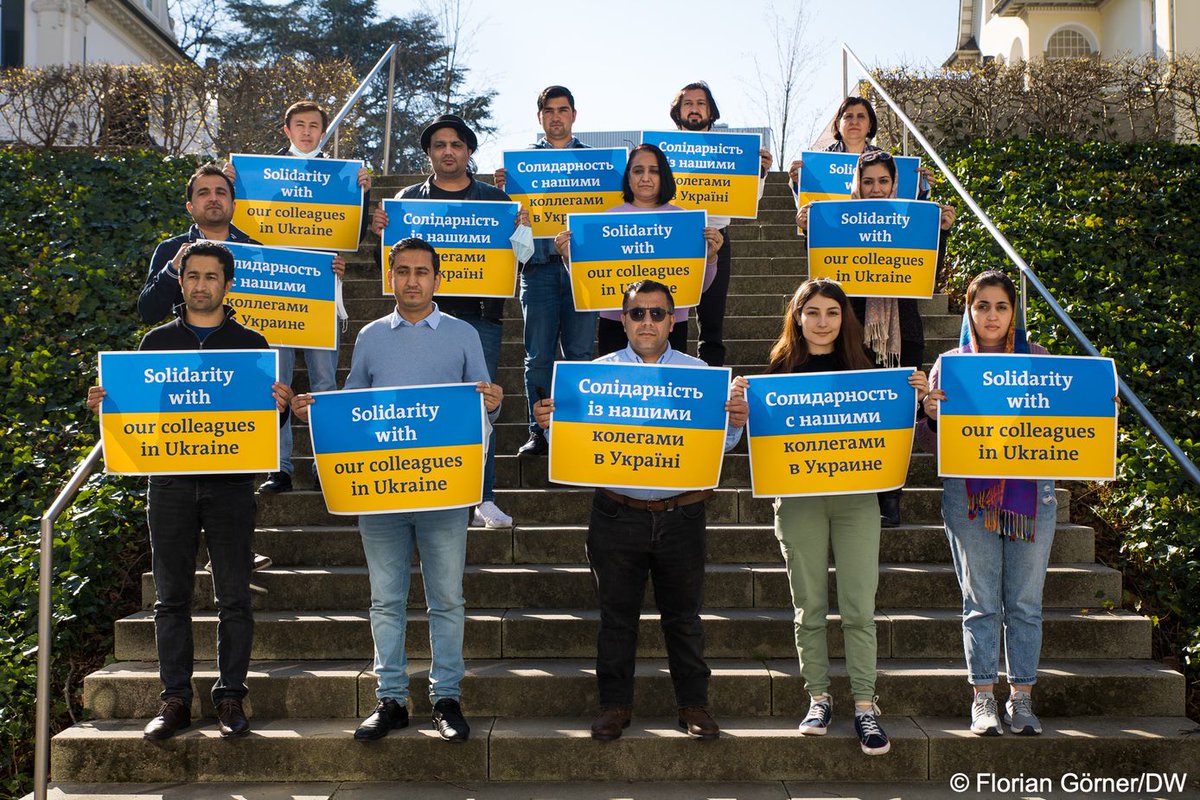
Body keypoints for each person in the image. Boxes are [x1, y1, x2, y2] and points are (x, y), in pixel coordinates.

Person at [290, 237, 502, 743]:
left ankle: (445, 698)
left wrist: (493, 403)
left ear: (437, 279)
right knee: (385, 600)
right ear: (390, 278)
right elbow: (351, 404)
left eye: (422, 272)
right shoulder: (368, 336)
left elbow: (481, 408)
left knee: (447, 598)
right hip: (380, 491)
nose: (412, 280)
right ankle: (391, 699)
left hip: (445, 491)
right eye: (402, 271)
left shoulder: (464, 333)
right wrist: (315, 410)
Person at [88, 241, 294, 740]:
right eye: (193, 276)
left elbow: (263, 421)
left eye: (211, 277)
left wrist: (281, 409)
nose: (202, 285)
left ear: (228, 284)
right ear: (180, 283)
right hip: (171, 486)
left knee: (234, 598)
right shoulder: (156, 342)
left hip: (232, 488)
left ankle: (230, 698)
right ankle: (175, 698)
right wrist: (107, 406)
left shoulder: (252, 345)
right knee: (170, 599)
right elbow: (144, 417)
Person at [532, 279, 749, 742]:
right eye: (637, 313)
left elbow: (719, 449)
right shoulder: (595, 374)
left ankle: (694, 705)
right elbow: (576, 450)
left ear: (673, 320)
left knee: (685, 618)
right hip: (617, 513)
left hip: (683, 515)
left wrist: (733, 423)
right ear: (623, 320)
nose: (647, 321)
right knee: (616, 617)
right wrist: (551, 427)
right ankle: (614, 707)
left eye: (656, 313)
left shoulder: (701, 373)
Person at [765, 278, 928, 756]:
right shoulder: (776, 372)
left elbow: (901, 437)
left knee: (859, 608)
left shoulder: (871, 368)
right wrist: (739, 408)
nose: (821, 321)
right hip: (798, 500)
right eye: (811, 312)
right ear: (796, 317)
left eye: (832, 313)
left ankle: (864, 706)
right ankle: (818, 698)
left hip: (857, 500)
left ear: (845, 318)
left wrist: (916, 399)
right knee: (808, 607)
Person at [916, 270, 1058, 737]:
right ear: (969, 312)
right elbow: (934, 443)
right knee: (979, 600)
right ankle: (982, 697)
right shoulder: (950, 363)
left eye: (1000, 306)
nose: (991, 315)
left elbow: (1064, 422)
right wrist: (931, 416)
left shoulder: (1039, 360)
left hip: (1032, 493)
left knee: (1024, 601)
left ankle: (1022, 698)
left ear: (1013, 313)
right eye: (982, 306)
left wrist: (1096, 405)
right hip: (969, 495)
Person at [370, 113, 527, 529]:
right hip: (418, 320)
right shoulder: (406, 199)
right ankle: (419, 488)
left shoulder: (496, 201)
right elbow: (386, 268)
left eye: (456, 145)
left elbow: (523, 260)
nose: (448, 151)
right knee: (418, 409)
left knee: (481, 406)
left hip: (479, 318)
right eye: (439, 145)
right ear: (429, 154)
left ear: (469, 152)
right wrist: (377, 234)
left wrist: (523, 232)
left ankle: (483, 497)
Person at [796, 149, 956, 527]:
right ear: (855, 184)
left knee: (897, 417)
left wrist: (942, 233)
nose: (875, 188)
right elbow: (824, 278)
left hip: (904, 334)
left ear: (895, 183)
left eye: (883, 181)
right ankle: (855, 490)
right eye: (867, 181)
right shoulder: (837, 220)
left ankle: (891, 497)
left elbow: (928, 279)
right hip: (852, 334)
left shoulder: (910, 221)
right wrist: (809, 232)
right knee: (858, 414)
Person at [222, 100, 367, 496]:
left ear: (324, 132)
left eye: (313, 126)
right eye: (299, 125)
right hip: (274, 291)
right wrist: (231, 182)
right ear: (287, 131)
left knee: (324, 383)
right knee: (277, 384)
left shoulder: (342, 177)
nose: (306, 131)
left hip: (319, 290)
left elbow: (352, 232)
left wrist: (363, 196)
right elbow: (238, 226)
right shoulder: (258, 176)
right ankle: (280, 468)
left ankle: (329, 464)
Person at [136, 164, 274, 573]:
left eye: (221, 191)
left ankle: (234, 555)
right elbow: (148, 310)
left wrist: (328, 281)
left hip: (237, 371)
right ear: (190, 204)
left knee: (231, 461)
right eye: (204, 192)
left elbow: (286, 310)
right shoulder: (171, 249)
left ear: (234, 203)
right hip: (181, 377)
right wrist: (170, 270)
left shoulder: (256, 248)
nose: (213, 198)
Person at [492, 86, 597, 458]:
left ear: (574, 115)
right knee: (537, 357)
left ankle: (578, 430)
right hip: (536, 271)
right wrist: (508, 205)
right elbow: (514, 245)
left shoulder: (596, 164)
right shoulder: (520, 168)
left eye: (563, 109)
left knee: (581, 354)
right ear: (540, 117)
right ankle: (538, 431)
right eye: (549, 110)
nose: (556, 116)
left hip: (582, 274)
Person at [554, 143, 724, 357]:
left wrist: (709, 258)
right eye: (638, 170)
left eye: (654, 171)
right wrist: (571, 259)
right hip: (616, 323)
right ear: (628, 177)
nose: (645, 177)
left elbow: (700, 288)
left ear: (665, 176)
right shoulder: (605, 219)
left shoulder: (686, 220)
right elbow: (592, 283)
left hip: (670, 323)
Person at [668, 81, 773, 367]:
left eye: (701, 103)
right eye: (688, 103)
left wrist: (759, 173)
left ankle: (711, 386)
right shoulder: (662, 149)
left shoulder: (731, 151)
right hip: (671, 240)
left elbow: (749, 200)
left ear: (711, 111)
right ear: (678, 111)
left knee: (712, 324)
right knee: (670, 322)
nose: (694, 109)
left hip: (716, 239)